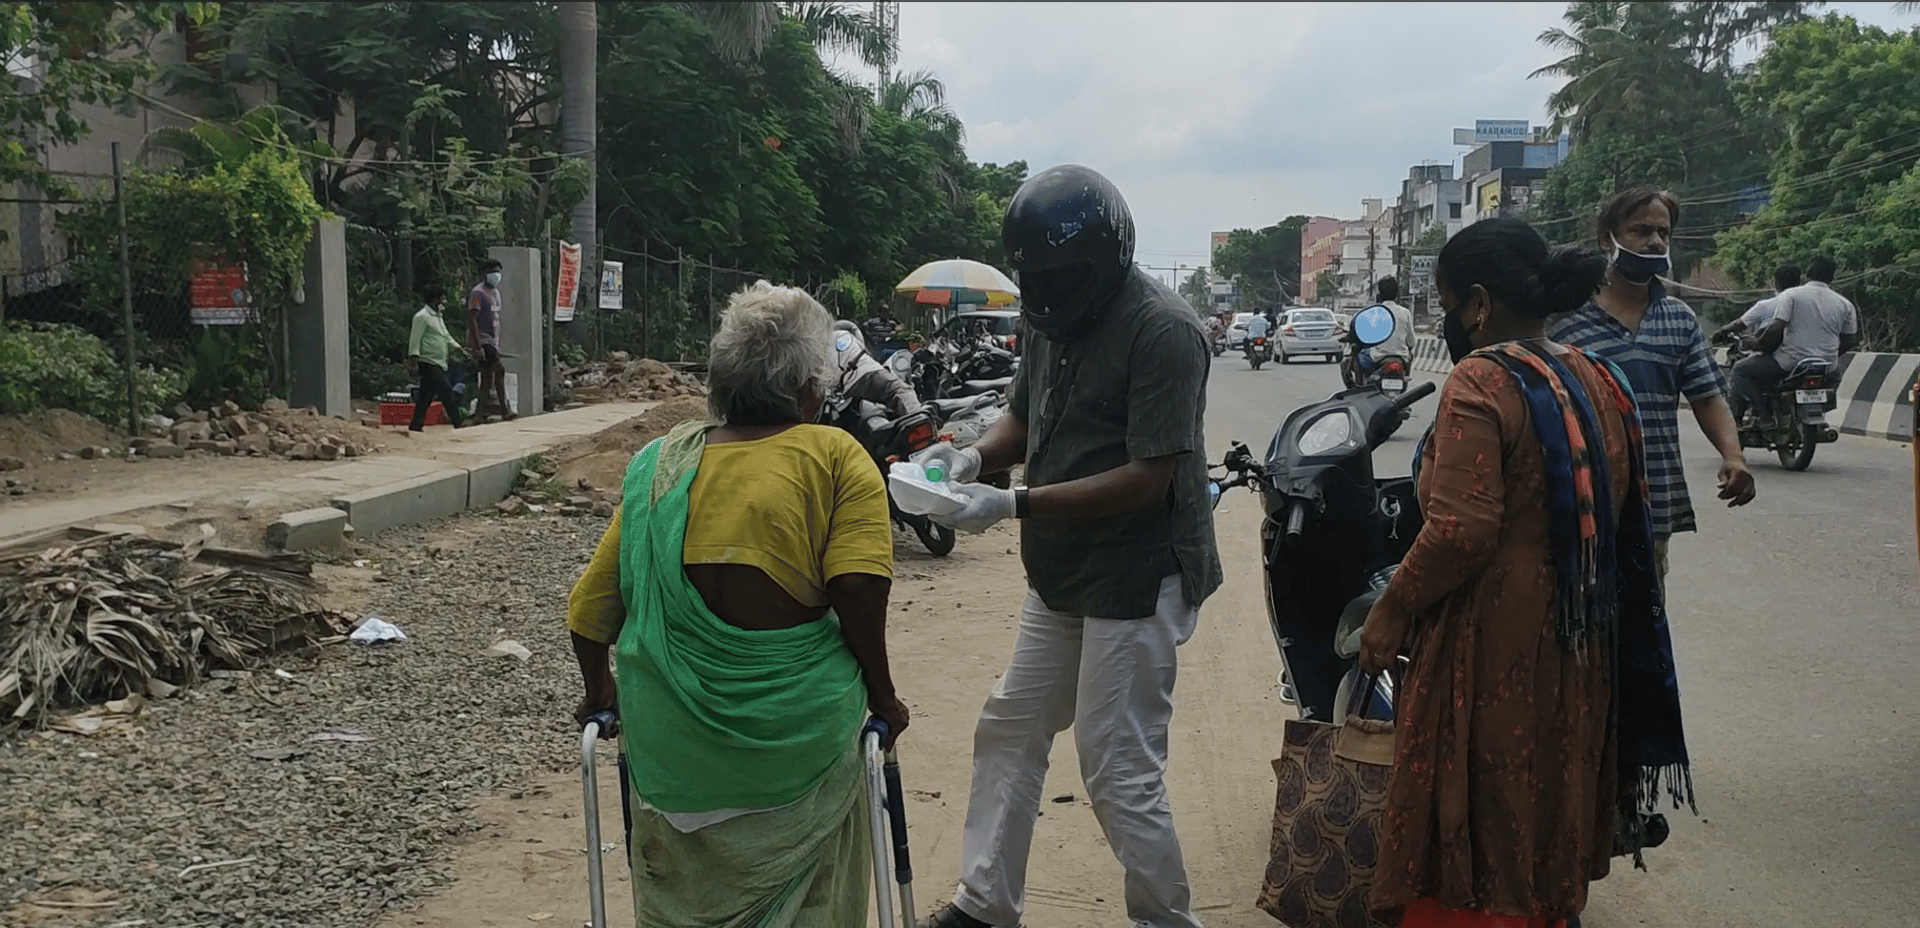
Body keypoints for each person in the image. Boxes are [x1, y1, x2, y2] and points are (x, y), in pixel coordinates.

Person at [1358, 218, 1696, 928]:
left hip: (1491, 638)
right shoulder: (1597, 375)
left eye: (1449, 303)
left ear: (1477, 304)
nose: (1451, 319)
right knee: (1549, 789)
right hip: (1580, 633)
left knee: (1480, 801)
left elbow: (1459, 531)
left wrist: (1390, 609)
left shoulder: (1482, 378)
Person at [911, 164, 1222, 928]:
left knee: (1116, 765)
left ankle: (1165, 921)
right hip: (1063, 571)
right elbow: (1021, 418)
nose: (1046, 296)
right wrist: (972, 458)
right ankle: (984, 907)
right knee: (1010, 727)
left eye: (1059, 278)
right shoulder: (1049, 321)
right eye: (1034, 281)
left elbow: (1150, 478)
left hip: (1139, 573)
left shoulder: (1164, 331)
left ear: (1110, 255)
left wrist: (1012, 501)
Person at [566, 280, 909, 927]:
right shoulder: (836, 456)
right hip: (795, 756)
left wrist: (597, 691)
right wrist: (884, 698)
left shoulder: (656, 465)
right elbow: (858, 588)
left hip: (673, 763)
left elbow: (590, 611)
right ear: (811, 385)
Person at [1546, 185, 1755, 582]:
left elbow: (1708, 397)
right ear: (1607, 239)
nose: (1655, 242)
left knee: (1644, 630)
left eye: (1663, 233)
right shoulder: (1565, 320)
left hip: (1650, 509)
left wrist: (1734, 456)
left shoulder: (1679, 320)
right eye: (1641, 231)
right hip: (1576, 506)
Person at [1729, 256, 1860, 424]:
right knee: (1834, 379)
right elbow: (1849, 340)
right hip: (1826, 366)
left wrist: (1758, 343)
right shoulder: (1845, 304)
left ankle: (1764, 416)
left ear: (1806, 275)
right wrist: (1829, 355)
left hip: (1789, 363)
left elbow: (1776, 327)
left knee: (1740, 370)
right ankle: (1818, 409)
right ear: (1832, 278)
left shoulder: (1791, 295)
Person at [405, 285, 467, 431]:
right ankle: (458, 421)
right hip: (428, 362)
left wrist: (459, 349)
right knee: (447, 392)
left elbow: (446, 336)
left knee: (425, 397)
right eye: (443, 298)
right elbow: (415, 340)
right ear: (435, 299)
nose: (445, 301)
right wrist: (413, 361)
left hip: (439, 363)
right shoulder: (422, 317)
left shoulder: (438, 317)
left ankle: (416, 424)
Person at [832, 319, 923, 418]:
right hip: (868, 372)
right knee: (902, 391)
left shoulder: (820, 348)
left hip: (849, 391)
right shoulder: (843, 334)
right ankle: (918, 419)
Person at [466, 259, 516, 421]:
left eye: (498, 271)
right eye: (493, 271)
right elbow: (473, 319)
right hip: (483, 340)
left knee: (487, 378)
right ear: (485, 274)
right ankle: (504, 410)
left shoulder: (495, 293)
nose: (496, 275)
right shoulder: (478, 293)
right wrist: (478, 346)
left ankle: (480, 414)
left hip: (493, 340)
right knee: (499, 370)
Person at [1710, 264, 1799, 349]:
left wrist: (1723, 330)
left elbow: (1740, 324)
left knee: (1740, 365)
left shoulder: (1766, 305)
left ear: (1776, 283)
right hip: (1806, 352)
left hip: (1779, 354)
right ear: (1799, 282)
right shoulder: (1807, 303)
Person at [1345, 276, 1415, 382]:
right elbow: (1411, 342)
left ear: (1379, 294)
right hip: (1401, 357)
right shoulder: (1406, 313)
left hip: (1378, 357)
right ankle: (1404, 377)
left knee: (1357, 359)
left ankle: (1359, 389)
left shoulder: (1374, 313)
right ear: (1397, 295)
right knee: (1411, 356)